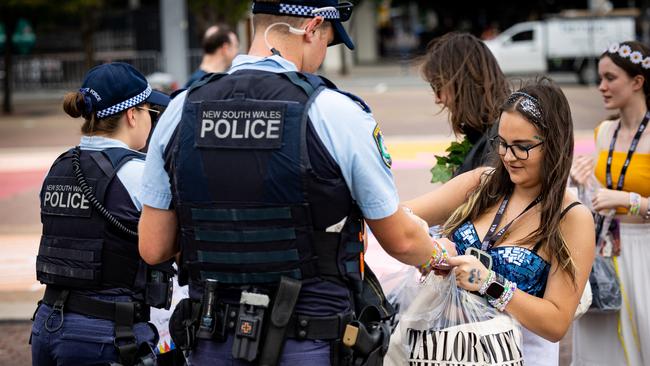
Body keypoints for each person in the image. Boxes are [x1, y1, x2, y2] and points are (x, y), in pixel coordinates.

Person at [138, 1, 436, 365]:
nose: (324, 54)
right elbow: (402, 240)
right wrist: (439, 257)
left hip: (212, 340)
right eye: (328, 39)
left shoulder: (179, 110)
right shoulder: (336, 113)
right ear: (310, 28)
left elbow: (154, 248)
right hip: (309, 341)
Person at [404, 78, 595, 365]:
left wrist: (487, 282)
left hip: (521, 357)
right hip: (447, 352)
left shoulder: (572, 217)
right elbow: (399, 217)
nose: (507, 156)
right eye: (502, 143)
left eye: (522, 146)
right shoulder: (480, 184)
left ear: (554, 143)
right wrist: (431, 249)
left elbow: (556, 323)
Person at [30, 62, 173, 366]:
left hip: (48, 325)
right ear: (132, 115)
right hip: (108, 335)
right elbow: (166, 245)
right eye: (150, 111)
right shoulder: (139, 173)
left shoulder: (56, 168)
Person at [570, 40, 650, 366]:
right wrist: (583, 184)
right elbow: (599, 197)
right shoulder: (604, 132)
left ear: (637, 81)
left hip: (644, 253)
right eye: (600, 78)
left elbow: (621, 196)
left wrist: (629, 201)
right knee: (598, 343)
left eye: (610, 78)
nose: (601, 86)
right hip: (604, 251)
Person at [421, 32, 509, 177]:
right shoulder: (492, 133)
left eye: (437, 86)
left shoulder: (499, 142)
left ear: (462, 83)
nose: (438, 99)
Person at [185, 24, 239, 88]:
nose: (237, 51)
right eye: (236, 46)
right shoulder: (200, 83)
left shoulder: (196, 81)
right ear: (225, 48)